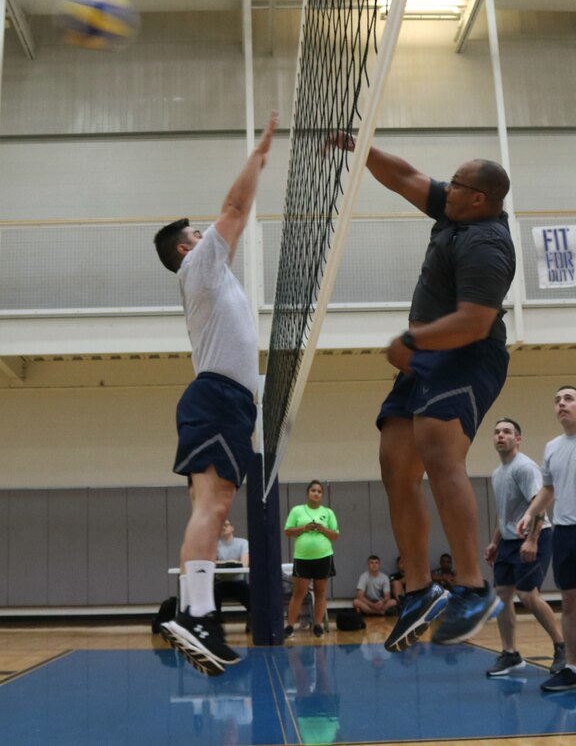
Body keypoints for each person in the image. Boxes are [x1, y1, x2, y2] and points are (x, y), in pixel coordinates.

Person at [336, 134, 516, 652]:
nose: (446, 186)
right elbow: (405, 177)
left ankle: (474, 587)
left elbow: (475, 322)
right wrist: (361, 147)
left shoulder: (485, 243)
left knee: (438, 450)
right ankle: (417, 591)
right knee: (396, 466)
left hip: (465, 352)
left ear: (478, 198)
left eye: (457, 183)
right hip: (427, 358)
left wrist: (411, 340)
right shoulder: (456, 212)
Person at [153, 111, 278, 676]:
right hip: (218, 398)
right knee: (215, 506)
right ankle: (194, 613)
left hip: (224, 399)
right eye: (196, 236)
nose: (208, 235)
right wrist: (258, 156)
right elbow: (234, 209)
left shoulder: (215, 277)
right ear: (187, 249)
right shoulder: (200, 267)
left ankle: (199, 616)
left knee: (212, 506)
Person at [485, 417, 564, 677]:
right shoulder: (498, 474)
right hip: (508, 543)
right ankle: (510, 654)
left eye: (507, 432)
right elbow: (506, 515)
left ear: (517, 439)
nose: (500, 436)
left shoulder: (525, 467)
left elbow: (538, 505)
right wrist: (495, 542)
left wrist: (531, 539)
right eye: (497, 432)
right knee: (502, 597)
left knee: (528, 595)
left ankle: (561, 646)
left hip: (536, 537)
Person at [518, 386, 576, 693]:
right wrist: (530, 514)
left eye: (568, 398)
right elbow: (548, 490)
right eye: (557, 400)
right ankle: (572, 668)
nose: (562, 404)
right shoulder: (553, 446)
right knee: (569, 602)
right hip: (566, 533)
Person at [284, 480, 340, 638]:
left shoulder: (328, 512)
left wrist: (323, 529)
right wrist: (303, 528)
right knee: (299, 593)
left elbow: (335, 535)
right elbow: (288, 532)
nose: (316, 493)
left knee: (320, 592)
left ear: (322, 495)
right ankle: (289, 627)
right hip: (302, 558)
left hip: (323, 557)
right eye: (313, 490)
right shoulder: (297, 510)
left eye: (319, 491)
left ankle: (317, 625)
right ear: (307, 493)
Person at [214, 519, 251, 632]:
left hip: (238, 582)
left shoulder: (243, 543)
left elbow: (244, 564)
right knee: (212, 595)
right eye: (221, 525)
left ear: (232, 528)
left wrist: (222, 563)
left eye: (226, 525)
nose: (224, 527)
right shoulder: (214, 544)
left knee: (253, 598)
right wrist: (233, 562)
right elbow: (212, 563)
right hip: (220, 583)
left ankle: (252, 625)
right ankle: (217, 627)